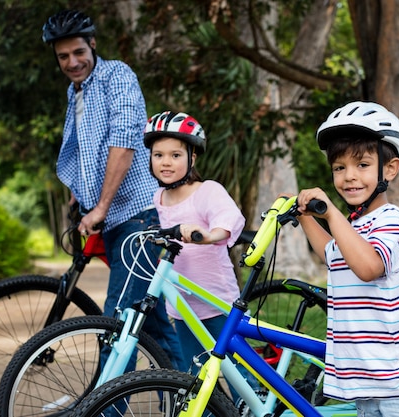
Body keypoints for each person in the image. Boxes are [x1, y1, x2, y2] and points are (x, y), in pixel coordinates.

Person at [41, 10, 184, 371]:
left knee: (118, 322)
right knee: (152, 325)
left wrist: (101, 206)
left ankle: (104, 409)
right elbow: (86, 151)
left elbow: (123, 142)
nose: (72, 62)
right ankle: (205, 402)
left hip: (136, 216)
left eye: (78, 52)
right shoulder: (76, 92)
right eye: (63, 56)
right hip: (115, 220)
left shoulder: (116, 76)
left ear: (92, 44)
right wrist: (80, 193)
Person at [292, 101, 399, 416]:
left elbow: (368, 267)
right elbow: (332, 254)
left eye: (362, 165)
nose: (349, 177)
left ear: (389, 169)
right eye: (339, 167)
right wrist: (304, 215)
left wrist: (331, 213)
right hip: (368, 381)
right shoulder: (355, 227)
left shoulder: (391, 219)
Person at [143, 110, 251, 400]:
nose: (166, 162)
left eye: (176, 155)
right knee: (196, 380)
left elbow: (228, 220)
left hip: (217, 303)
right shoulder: (159, 197)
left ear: (193, 158)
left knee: (243, 379)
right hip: (182, 308)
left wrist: (206, 236)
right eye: (159, 155)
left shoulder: (207, 191)